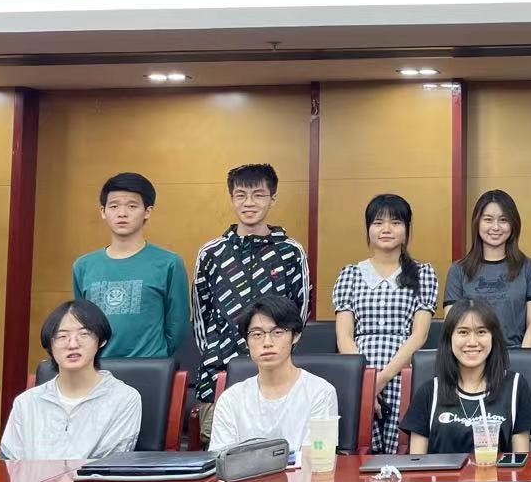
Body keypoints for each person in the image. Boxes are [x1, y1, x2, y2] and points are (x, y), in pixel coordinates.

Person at [192, 163, 311, 442]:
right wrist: (215, 352)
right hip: (219, 372)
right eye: (241, 195)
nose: (249, 203)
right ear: (231, 198)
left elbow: (300, 313)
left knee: (280, 447)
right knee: (220, 452)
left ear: (272, 198)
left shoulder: (290, 251)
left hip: (277, 374)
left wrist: (277, 351)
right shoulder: (211, 253)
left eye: (258, 195)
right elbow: (200, 316)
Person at [333, 193, 439, 453]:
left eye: (396, 222)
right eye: (378, 223)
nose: (386, 229)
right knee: (358, 450)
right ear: (368, 229)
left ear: (407, 230)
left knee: (402, 450)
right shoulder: (350, 274)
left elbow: (419, 335)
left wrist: (380, 380)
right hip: (358, 374)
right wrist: (363, 379)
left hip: (404, 372)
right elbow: (344, 335)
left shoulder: (423, 273)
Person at [1, 300, 142, 460]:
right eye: (62, 336)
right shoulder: (26, 402)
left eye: (84, 334)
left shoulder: (124, 399)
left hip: (90, 478)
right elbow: (11, 464)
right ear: (49, 345)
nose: (73, 344)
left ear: (101, 340)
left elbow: (109, 463)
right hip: (30, 478)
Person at [71, 172, 190, 359]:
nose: (122, 213)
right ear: (103, 211)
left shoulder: (169, 263)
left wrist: (158, 356)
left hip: (150, 366)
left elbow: (178, 324)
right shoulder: (83, 266)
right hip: (96, 367)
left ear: (147, 211)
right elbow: (82, 322)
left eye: (132, 206)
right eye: (114, 206)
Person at [402, 299, 531, 455]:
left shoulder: (515, 387)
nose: (472, 342)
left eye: (481, 332)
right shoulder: (429, 392)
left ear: (493, 337)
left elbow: (521, 462)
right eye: (463, 332)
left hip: (498, 472)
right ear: (449, 338)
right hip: (440, 473)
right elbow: (417, 463)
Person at [208, 294, 339, 454]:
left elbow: (317, 456)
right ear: (246, 342)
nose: (267, 343)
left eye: (277, 332)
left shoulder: (320, 393)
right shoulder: (230, 399)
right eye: (257, 334)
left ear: (295, 336)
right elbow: (221, 460)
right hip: (244, 472)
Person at [443, 189, 531, 349]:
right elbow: (453, 326)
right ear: (477, 223)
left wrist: (523, 359)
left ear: (513, 224)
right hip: (471, 354)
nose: (495, 227)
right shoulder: (458, 270)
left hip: (515, 354)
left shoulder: (528, 268)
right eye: (488, 220)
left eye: (503, 220)